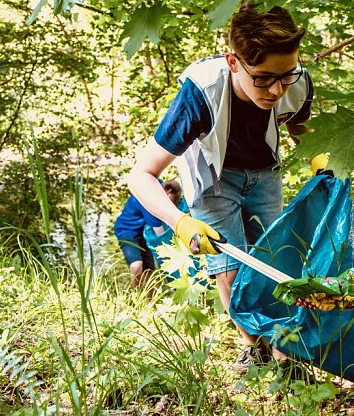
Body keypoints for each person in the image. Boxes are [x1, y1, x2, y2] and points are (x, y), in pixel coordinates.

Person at [126, 3, 312, 370]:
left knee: (277, 256)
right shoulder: (201, 93)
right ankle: (251, 346)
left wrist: (319, 158)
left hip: (265, 171)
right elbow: (140, 175)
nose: (276, 89)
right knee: (227, 265)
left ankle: (284, 352)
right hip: (212, 176)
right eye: (262, 78)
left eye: (285, 75)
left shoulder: (295, 80)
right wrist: (180, 223)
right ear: (233, 62)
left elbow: (298, 125)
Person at [114, 180, 183, 288]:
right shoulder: (149, 201)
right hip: (127, 231)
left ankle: (148, 301)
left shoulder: (159, 185)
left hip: (143, 233)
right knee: (136, 266)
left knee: (149, 271)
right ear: (167, 193)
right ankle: (135, 295)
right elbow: (160, 234)